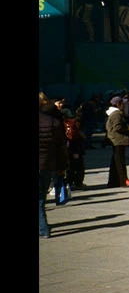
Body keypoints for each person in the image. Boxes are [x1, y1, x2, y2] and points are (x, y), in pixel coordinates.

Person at [39, 93, 67, 238]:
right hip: (47, 164)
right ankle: (43, 228)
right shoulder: (53, 122)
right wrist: (61, 167)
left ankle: (43, 228)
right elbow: (61, 147)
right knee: (41, 198)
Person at [105, 95, 129, 187]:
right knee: (120, 162)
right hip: (118, 140)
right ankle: (123, 180)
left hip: (115, 139)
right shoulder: (117, 114)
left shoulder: (112, 113)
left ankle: (114, 182)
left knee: (115, 162)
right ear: (119, 104)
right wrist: (127, 128)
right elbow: (118, 127)